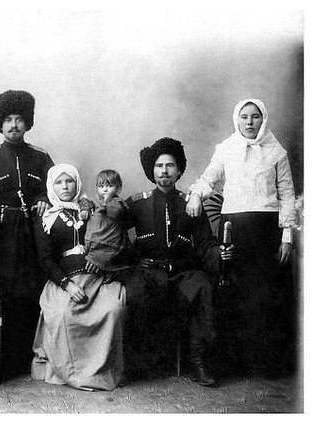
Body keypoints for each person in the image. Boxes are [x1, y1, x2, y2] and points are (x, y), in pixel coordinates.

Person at [185, 98, 297, 378]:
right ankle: (234, 364)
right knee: (233, 291)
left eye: (255, 116)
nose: (249, 122)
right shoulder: (225, 149)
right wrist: (196, 195)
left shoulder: (277, 152)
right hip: (234, 228)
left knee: (265, 295)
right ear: (237, 119)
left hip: (267, 230)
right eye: (244, 116)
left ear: (263, 119)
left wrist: (286, 237)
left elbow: (287, 195)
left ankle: (267, 364)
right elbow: (208, 179)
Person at [124, 137, 232, 387]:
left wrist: (219, 255)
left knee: (202, 286)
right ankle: (137, 363)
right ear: (152, 171)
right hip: (149, 273)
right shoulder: (137, 203)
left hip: (182, 272)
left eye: (170, 165)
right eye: (159, 166)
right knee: (133, 292)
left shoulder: (190, 203)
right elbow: (113, 232)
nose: (164, 171)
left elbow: (204, 244)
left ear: (179, 170)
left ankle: (197, 362)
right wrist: (131, 259)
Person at [0, 89, 54, 381]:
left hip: (33, 230)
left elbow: (56, 186)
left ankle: (30, 359)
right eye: (8, 120)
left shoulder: (41, 157)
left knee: (32, 289)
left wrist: (44, 198)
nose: (14, 125)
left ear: (27, 123)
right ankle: (0, 360)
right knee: (0, 291)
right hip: (1, 232)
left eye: (19, 119)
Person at [31, 164, 126, 391]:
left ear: (77, 183)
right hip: (64, 280)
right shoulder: (46, 217)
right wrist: (67, 285)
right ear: (52, 186)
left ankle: (101, 370)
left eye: (69, 181)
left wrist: (102, 262)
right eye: (59, 182)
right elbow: (45, 259)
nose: (65, 187)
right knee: (63, 313)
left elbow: (112, 239)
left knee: (113, 309)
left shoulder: (93, 209)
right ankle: (72, 371)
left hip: (97, 277)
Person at [79, 169, 132, 274]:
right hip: (92, 240)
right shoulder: (95, 200)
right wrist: (84, 210)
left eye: (109, 186)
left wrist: (105, 203)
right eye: (101, 186)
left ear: (118, 188)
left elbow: (115, 213)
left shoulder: (118, 203)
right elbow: (87, 202)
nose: (105, 189)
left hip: (108, 241)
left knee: (108, 268)